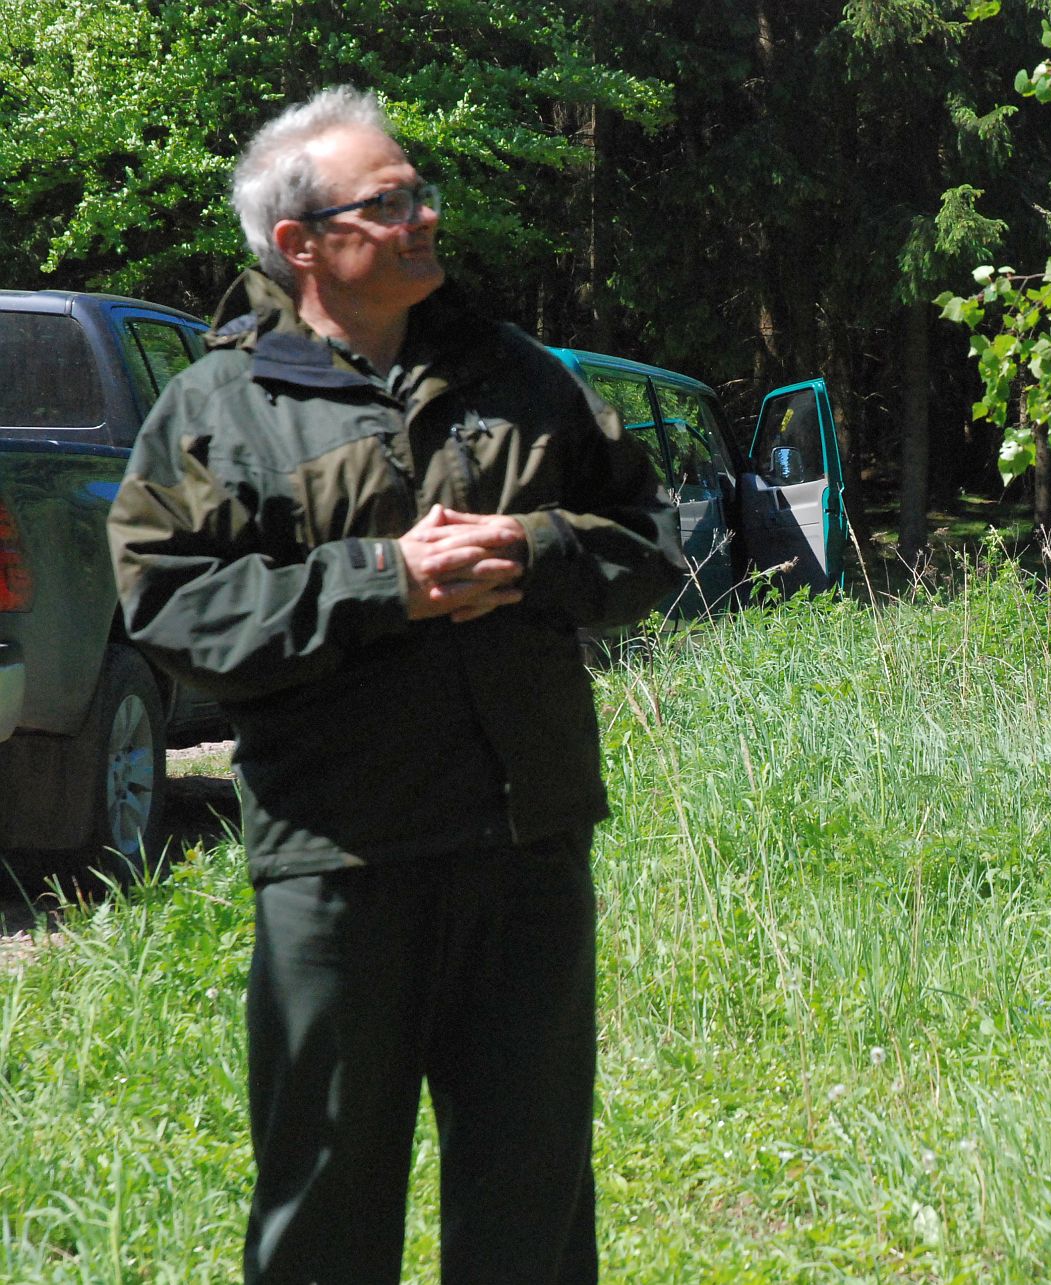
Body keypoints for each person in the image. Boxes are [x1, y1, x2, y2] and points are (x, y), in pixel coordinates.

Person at [107, 86, 684, 1283]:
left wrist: (535, 547)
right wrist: (385, 583)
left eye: (422, 192)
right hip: (338, 860)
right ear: (301, 243)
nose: (425, 216)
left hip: (525, 849)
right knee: (324, 1204)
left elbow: (649, 545)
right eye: (390, 202)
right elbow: (170, 611)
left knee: (530, 1205)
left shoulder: (519, 375)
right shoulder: (217, 409)